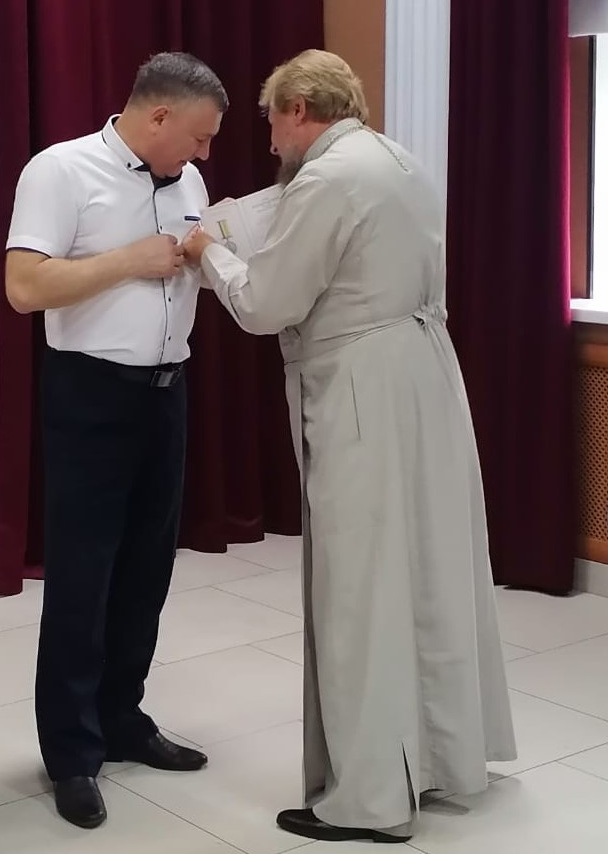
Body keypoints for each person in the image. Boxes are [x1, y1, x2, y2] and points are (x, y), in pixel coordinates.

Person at [183, 49, 517, 844]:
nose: (270, 141)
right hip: (424, 374)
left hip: (362, 383)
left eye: (271, 122)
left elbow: (265, 304)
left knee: (360, 590)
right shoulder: (397, 160)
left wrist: (208, 251)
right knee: (424, 573)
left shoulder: (328, 178)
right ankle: (434, 763)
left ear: (299, 109)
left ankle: (370, 799)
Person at [5, 52, 228, 829]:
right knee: (82, 577)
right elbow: (25, 287)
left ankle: (122, 719)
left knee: (144, 571)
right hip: (90, 394)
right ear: (157, 116)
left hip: (167, 394)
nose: (204, 155)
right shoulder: (60, 170)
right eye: (198, 137)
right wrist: (129, 260)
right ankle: (71, 752)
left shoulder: (188, 183)